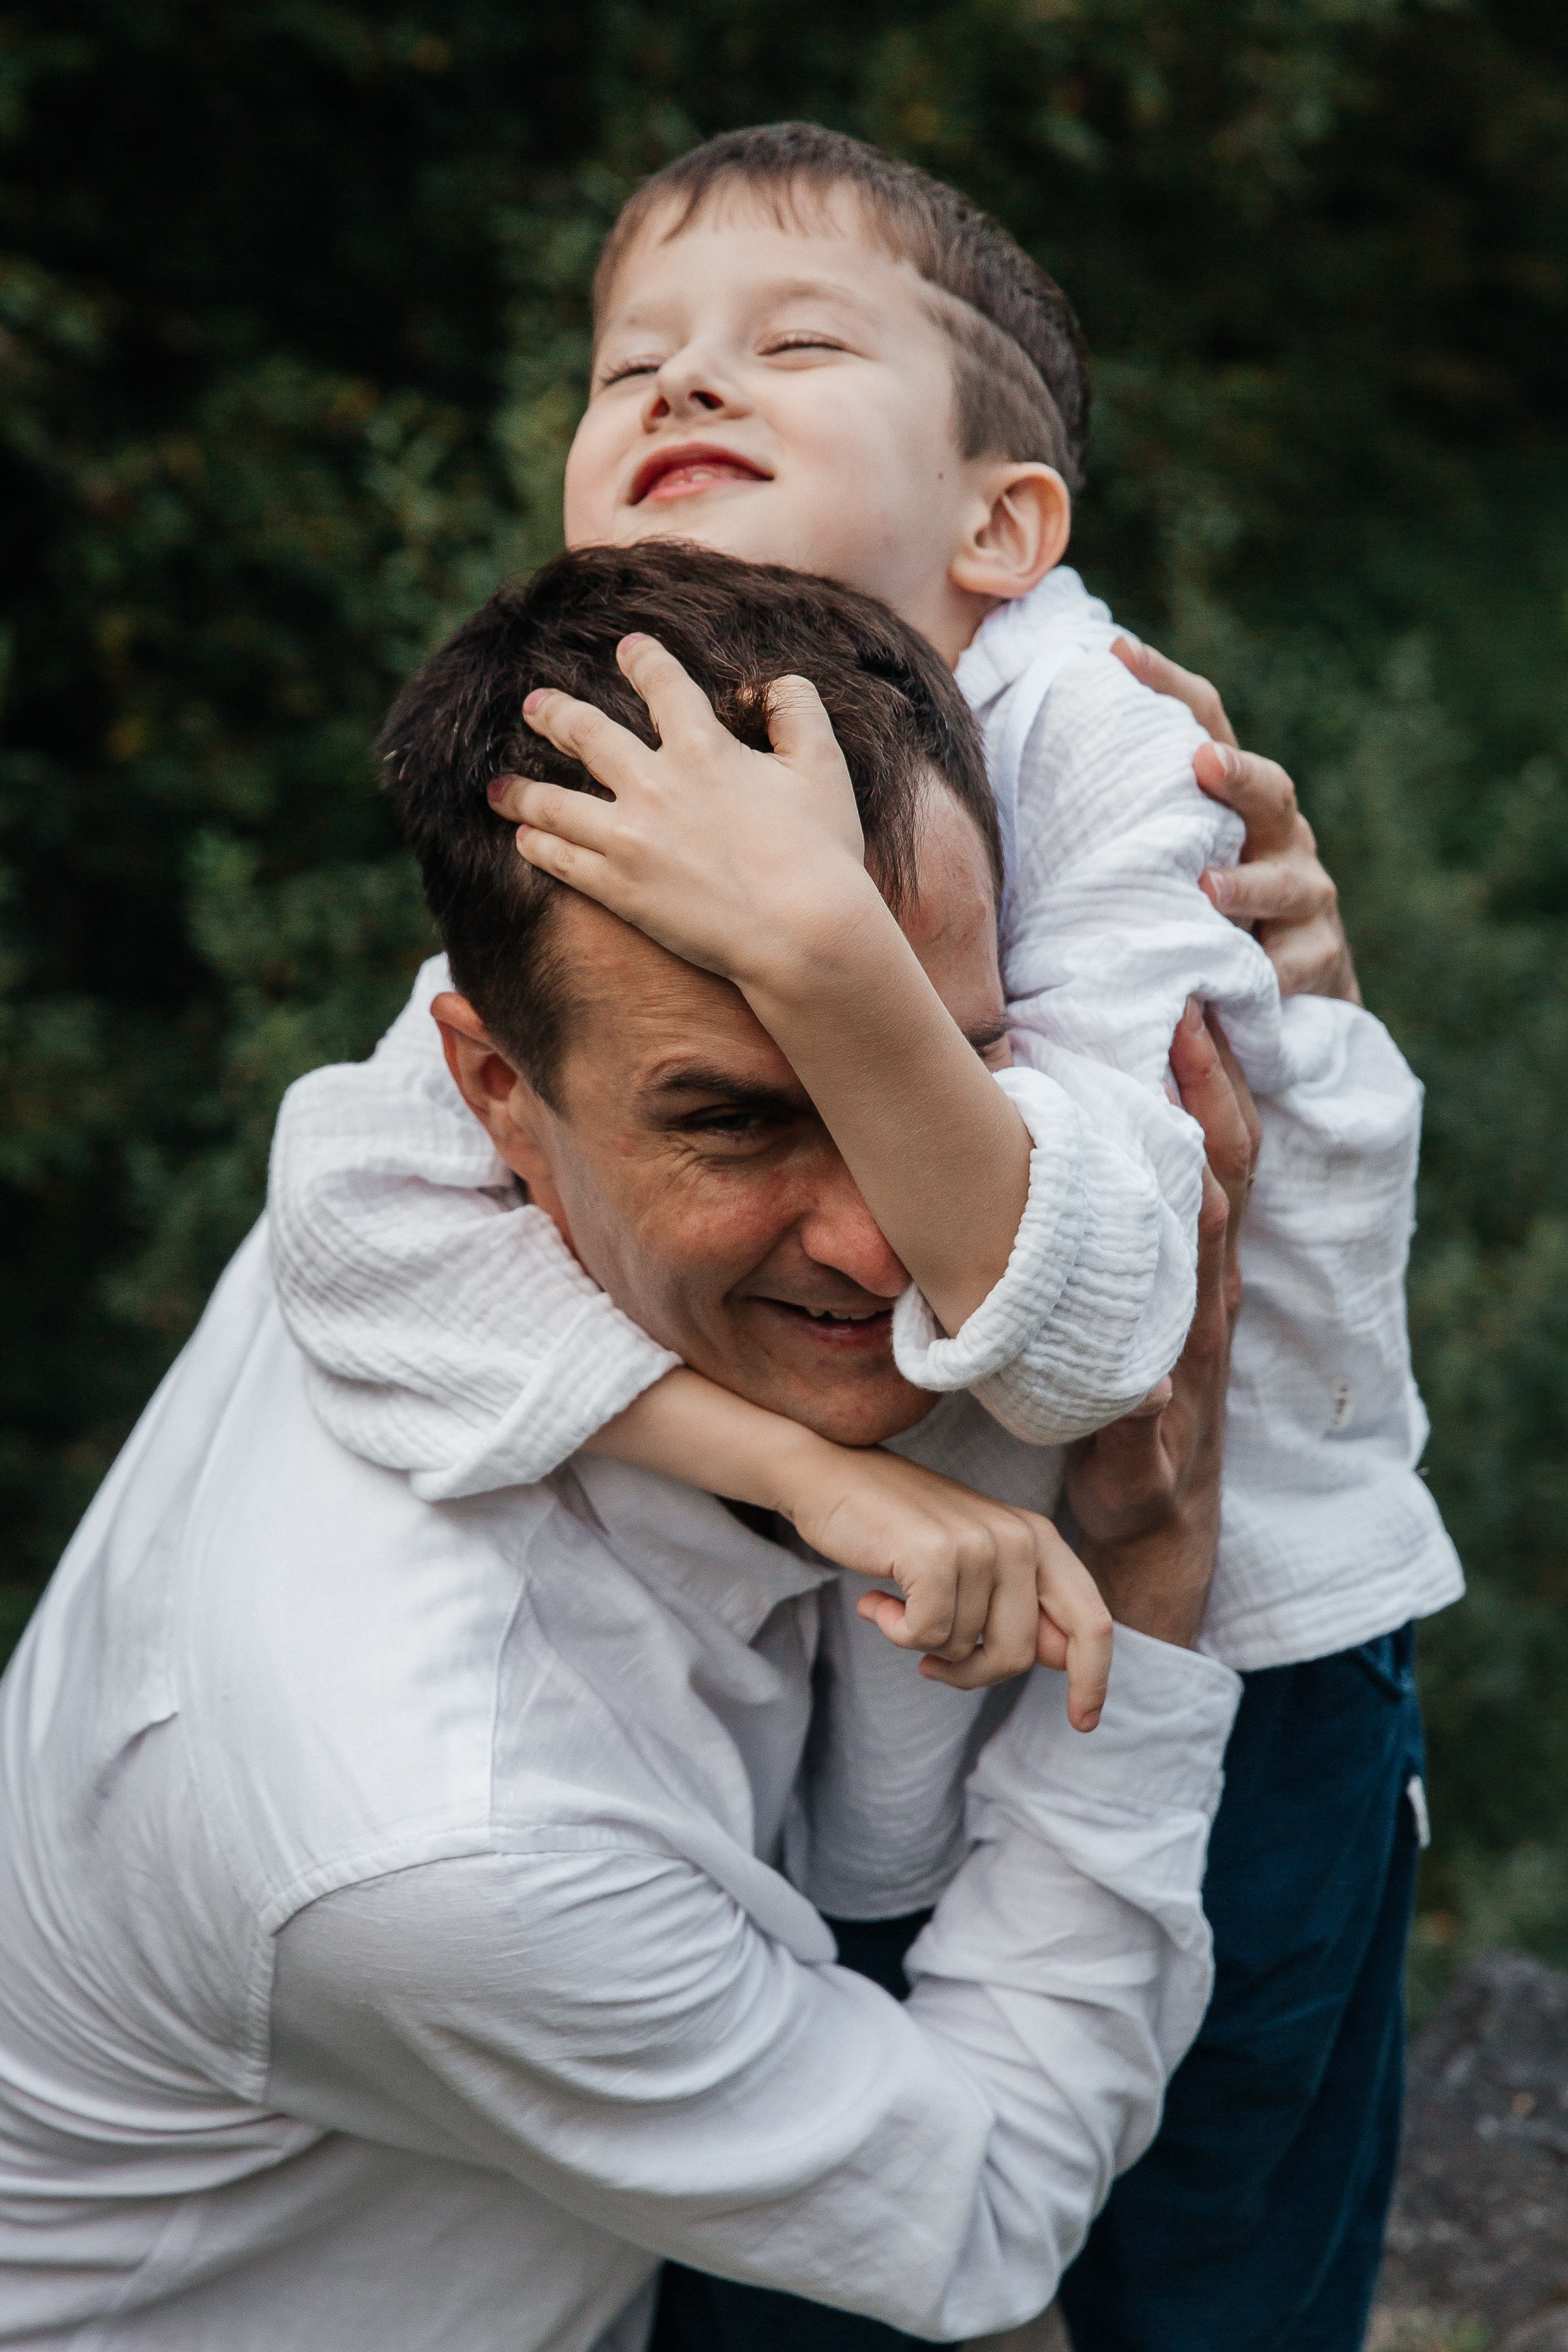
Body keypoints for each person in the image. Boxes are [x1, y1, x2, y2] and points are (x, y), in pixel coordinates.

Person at [268, 124, 1458, 2349]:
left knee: (1210, 2248)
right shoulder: (623, 749)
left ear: (998, 526)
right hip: (864, 1671)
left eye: (791, 343)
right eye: (630, 362)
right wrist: (813, 1476)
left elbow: (1104, 1330)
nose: (684, 385)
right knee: (823, 2256)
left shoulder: (1102, 754)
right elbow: (358, 1219)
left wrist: (828, 950)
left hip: (1238, 1645)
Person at [0, 546, 1253, 2351]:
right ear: (488, 1085)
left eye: (942, 1075)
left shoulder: (508, 1126)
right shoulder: (445, 1834)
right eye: (737, 1125)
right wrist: (1146, 1582)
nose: (888, 1245)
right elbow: (980, 2219)